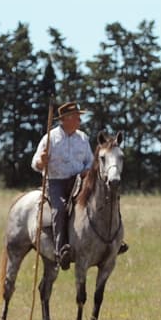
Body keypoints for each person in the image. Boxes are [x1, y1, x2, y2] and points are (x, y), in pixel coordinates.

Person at [32, 101, 94, 270]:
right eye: (76, 117)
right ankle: (61, 252)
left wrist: (87, 171)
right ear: (65, 119)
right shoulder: (50, 138)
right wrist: (41, 162)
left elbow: (90, 161)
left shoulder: (83, 138)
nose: (80, 121)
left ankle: (109, 242)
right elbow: (35, 163)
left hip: (78, 181)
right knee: (59, 209)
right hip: (56, 181)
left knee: (100, 200)